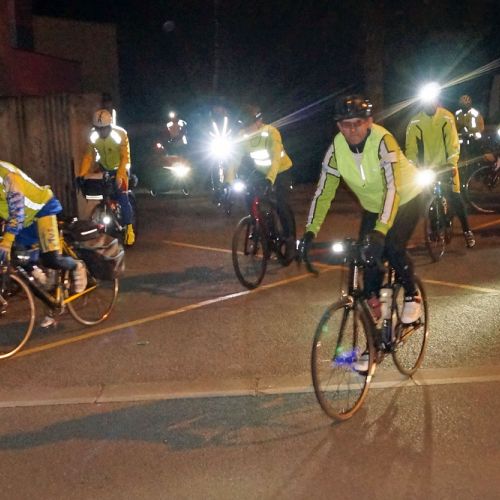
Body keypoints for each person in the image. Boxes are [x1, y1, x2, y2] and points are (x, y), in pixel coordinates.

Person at [300, 95, 423, 329]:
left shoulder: (383, 141)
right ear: (339, 126)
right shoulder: (335, 151)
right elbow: (323, 193)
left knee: (392, 247)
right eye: (346, 124)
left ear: (369, 122)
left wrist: (381, 231)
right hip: (373, 207)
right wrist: (310, 232)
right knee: (367, 259)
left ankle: (411, 293)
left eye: (358, 122)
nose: (352, 129)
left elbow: (392, 188)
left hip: (406, 197)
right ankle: (377, 317)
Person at [0, 160, 87, 325]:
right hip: (23, 222)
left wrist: (7, 241)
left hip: (42, 210)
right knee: (22, 265)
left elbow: (17, 211)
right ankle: (50, 299)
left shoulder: (7, 176)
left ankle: (76, 265)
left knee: (50, 259)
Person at [406, 86, 475, 248]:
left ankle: (467, 231)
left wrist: (451, 163)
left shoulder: (446, 117)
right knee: (427, 198)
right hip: (427, 168)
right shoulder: (415, 121)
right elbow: (411, 149)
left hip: (446, 165)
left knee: (455, 197)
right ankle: (435, 229)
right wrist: (411, 167)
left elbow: (453, 143)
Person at [228, 104, 296, 257]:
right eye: (244, 126)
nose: (247, 129)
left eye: (249, 125)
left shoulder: (271, 132)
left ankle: (290, 240)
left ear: (258, 122)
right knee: (249, 196)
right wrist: (228, 181)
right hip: (261, 172)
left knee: (280, 203)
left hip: (281, 171)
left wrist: (270, 179)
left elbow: (276, 159)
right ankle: (259, 227)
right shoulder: (242, 135)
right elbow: (234, 160)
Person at [77, 109, 135, 246]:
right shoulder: (93, 135)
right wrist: (82, 175)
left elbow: (125, 157)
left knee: (122, 197)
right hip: (104, 168)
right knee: (99, 191)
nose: (101, 132)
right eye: (98, 129)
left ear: (110, 126)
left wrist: (120, 175)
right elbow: (88, 156)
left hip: (120, 168)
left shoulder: (120, 134)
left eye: (104, 129)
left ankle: (129, 229)